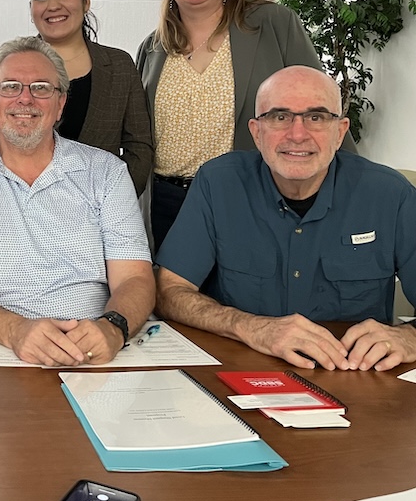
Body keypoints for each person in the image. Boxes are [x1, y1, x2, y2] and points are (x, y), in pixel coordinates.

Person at [156, 66, 416, 372]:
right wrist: (250, 327)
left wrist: (410, 337)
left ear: (340, 131)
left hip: (355, 377)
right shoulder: (218, 183)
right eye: (279, 117)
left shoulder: (390, 195)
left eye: (316, 117)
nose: (297, 134)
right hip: (239, 368)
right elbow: (168, 291)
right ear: (256, 131)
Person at [0, 37, 154, 367]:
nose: (26, 98)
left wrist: (113, 328)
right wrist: (15, 331)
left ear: (61, 103)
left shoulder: (108, 172)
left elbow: (135, 278)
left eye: (42, 88)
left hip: (92, 347)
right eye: (10, 87)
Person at [136, 0, 330, 251]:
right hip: (167, 203)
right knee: (173, 298)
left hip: (247, 196)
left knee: (244, 297)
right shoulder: (152, 48)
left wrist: (345, 182)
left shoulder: (271, 24)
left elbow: (319, 103)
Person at [0, 0, 152, 194]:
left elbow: (139, 146)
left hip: (97, 209)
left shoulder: (119, 65)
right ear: (31, 8)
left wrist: (115, 199)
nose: (53, 6)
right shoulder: (7, 64)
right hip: (16, 206)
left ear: (86, 0)